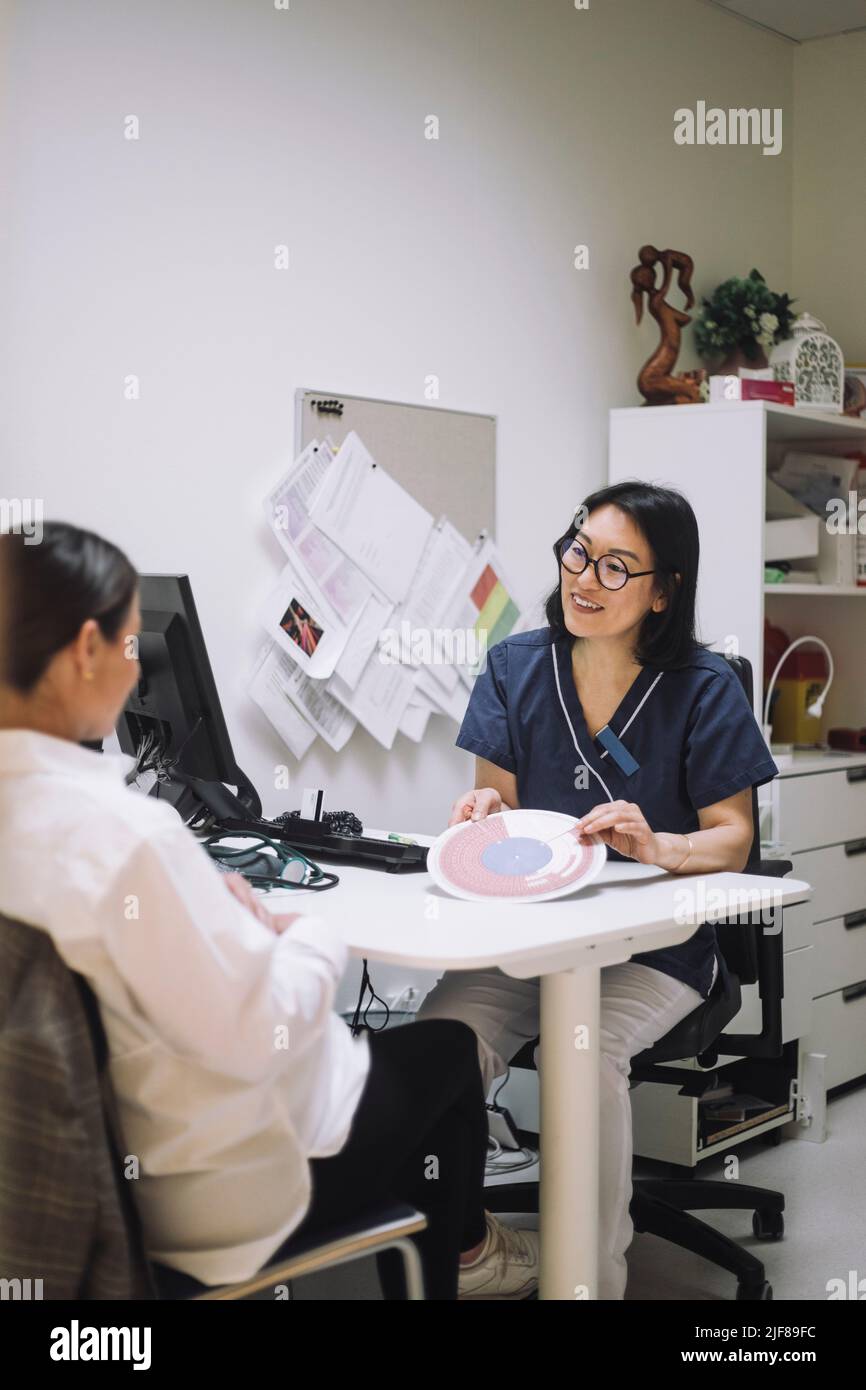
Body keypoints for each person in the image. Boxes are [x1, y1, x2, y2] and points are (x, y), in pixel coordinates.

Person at [0, 522, 538, 1300]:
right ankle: (461, 1266)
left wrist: (211, 914)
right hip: (212, 1203)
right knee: (448, 1051)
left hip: (95, 1172)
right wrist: (307, 935)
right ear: (86, 650)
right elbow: (255, 1036)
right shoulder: (125, 837)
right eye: (128, 646)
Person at [417, 480, 778, 1299]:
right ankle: (468, 1253)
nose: (584, 577)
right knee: (437, 1044)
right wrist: (484, 817)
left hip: (660, 948)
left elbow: (735, 836)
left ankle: (590, 1279)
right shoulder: (515, 664)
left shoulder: (704, 686)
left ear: (663, 591)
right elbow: (499, 812)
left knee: (588, 1053)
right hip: (530, 934)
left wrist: (663, 844)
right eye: (580, 551)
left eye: (617, 567)